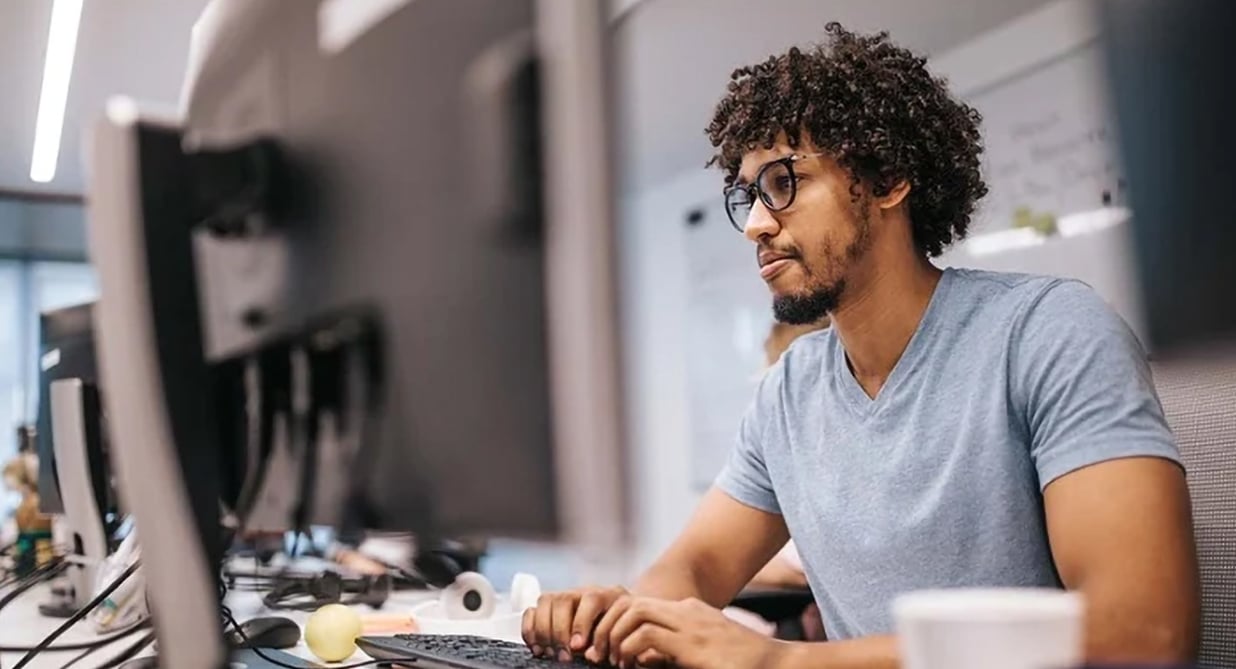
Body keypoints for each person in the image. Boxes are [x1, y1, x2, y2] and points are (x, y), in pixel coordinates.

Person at [521, 23, 1200, 669]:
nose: (755, 224)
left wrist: (784, 659)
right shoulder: (790, 392)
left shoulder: (1050, 332)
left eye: (784, 183)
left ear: (887, 179)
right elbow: (693, 570)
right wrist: (611, 614)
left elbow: (1142, 629)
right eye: (747, 196)